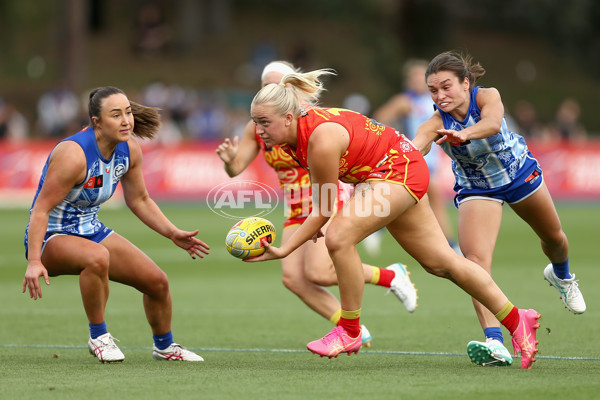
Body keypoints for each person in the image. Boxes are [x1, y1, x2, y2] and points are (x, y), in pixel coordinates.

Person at [245, 68, 541, 369]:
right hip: (393, 172)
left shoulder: (318, 139)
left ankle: (349, 330)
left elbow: (323, 210)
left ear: (288, 118)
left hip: (395, 174)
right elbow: (322, 206)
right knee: (442, 263)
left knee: (338, 236)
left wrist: (284, 249)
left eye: (265, 122)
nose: (260, 130)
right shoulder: (294, 136)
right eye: (256, 122)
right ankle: (518, 319)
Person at [216, 61, 418, 348]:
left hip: (323, 200)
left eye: (279, 84)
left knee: (319, 273)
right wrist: (228, 161)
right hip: (296, 206)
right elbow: (236, 169)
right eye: (267, 85)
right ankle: (353, 328)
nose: (273, 89)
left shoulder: (307, 124)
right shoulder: (260, 126)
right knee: (293, 279)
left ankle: (388, 278)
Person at [414, 50, 586, 367]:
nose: (440, 96)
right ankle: (495, 342)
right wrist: (400, 154)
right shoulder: (437, 122)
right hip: (478, 187)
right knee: (475, 264)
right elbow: (418, 145)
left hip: (519, 174)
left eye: (446, 86)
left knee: (555, 239)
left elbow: (493, 123)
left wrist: (464, 134)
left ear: (466, 83)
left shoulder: (487, 96)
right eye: (433, 90)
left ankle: (561, 276)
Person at [22, 86, 210, 363]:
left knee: (157, 282)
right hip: (51, 235)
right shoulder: (73, 154)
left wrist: (172, 233)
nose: (126, 121)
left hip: (90, 230)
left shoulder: (129, 150)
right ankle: (99, 336)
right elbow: (40, 209)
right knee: (97, 257)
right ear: (96, 122)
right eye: (116, 115)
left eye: (128, 113)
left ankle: (165, 347)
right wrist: (34, 260)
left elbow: (140, 200)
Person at [373, 59, 459, 255]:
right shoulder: (406, 101)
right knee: (435, 201)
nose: (418, 80)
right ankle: (452, 248)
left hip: (433, 159)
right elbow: (380, 118)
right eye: (414, 76)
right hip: (416, 158)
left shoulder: (437, 100)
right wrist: (395, 137)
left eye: (422, 76)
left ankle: (379, 228)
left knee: (413, 204)